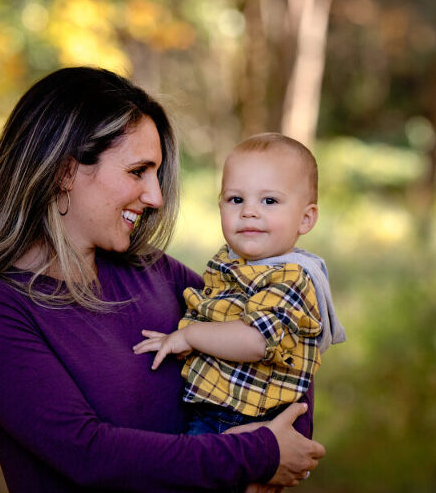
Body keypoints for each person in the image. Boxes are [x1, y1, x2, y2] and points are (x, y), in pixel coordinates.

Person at [0, 67, 326, 493]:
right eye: (138, 171)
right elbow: (87, 455)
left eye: (156, 174)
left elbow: (282, 340)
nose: (156, 197)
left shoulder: (153, 272)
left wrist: (267, 469)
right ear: (64, 171)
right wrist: (254, 456)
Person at [133, 133, 346, 437]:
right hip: (215, 407)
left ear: (306, 219)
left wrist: (190, 337)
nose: (249, 211)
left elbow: (256, 341)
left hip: (243, 419)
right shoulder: (230, 261)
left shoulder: (291, 278)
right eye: (236, 199)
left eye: (269, 201)